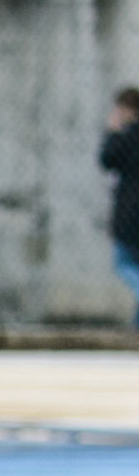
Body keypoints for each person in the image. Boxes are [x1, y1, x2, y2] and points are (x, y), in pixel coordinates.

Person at [101, 87, 139, 325]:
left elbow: (106, 159)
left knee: (123, 263)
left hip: (129, 212)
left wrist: (112, 132)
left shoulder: (126, 138)